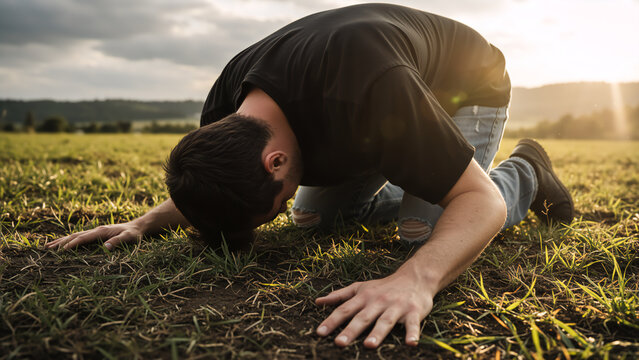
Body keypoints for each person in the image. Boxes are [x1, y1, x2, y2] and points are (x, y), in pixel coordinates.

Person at [46, 3, 575, 349]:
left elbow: (478, 204)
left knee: (425, 232)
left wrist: (417, 281)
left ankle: (526, 172)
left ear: (274, 161)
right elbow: (219, 181)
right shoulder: (227, 112)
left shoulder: (372, 82)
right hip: (365, 117)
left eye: (269, 207)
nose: (275, 212)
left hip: (459, 86)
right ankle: (416, 164)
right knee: (314, 218)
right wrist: (145, 222)